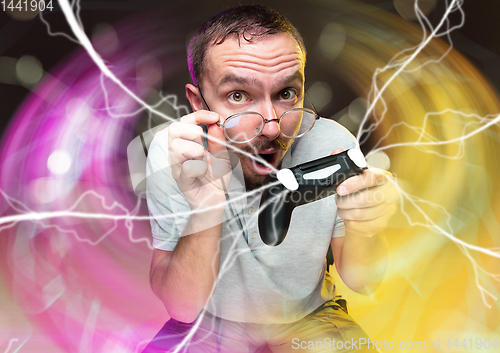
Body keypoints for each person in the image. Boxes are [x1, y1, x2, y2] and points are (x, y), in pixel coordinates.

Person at [143, 4, 398, 352]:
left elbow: (363, 280)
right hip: (208, 324)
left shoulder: (332, 145)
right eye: (238, 95)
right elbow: (182, 307)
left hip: (311, 318)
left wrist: (367, 228)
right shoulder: (176, 151)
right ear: (197, 102)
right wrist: (207, 207)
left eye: (286, 94)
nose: (273, 125)